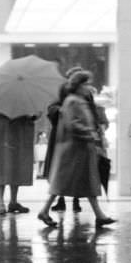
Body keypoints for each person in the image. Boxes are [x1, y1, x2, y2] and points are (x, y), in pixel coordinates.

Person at [38, 70, 115, 228]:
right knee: (64, 183)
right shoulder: (72, 101)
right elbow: (72, 124)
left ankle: (99, 215)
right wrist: (90, 134)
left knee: (86, 183)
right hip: (74, 150)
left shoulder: (79, 100)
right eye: (86, 83)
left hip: (80, 149)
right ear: (79, 85)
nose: (88, 86)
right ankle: (45, 211)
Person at [44, 66, 83, 214]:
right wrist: (60, 111)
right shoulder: (63, 92)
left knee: (76, 169)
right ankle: (59, 200)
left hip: (75, 137)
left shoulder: (84, 94)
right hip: (62, 136)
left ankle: (76, 199)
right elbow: (52, 108)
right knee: (60, 168)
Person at [0, 108, 37, 215]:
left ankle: (9, 202)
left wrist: (33, 117)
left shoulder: (1, 100)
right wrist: (32, 117)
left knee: (8, 165)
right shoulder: (11, 101)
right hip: (7, 135)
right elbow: (23, 118)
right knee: (6, 165)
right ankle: (3, 202)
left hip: (6, 135)